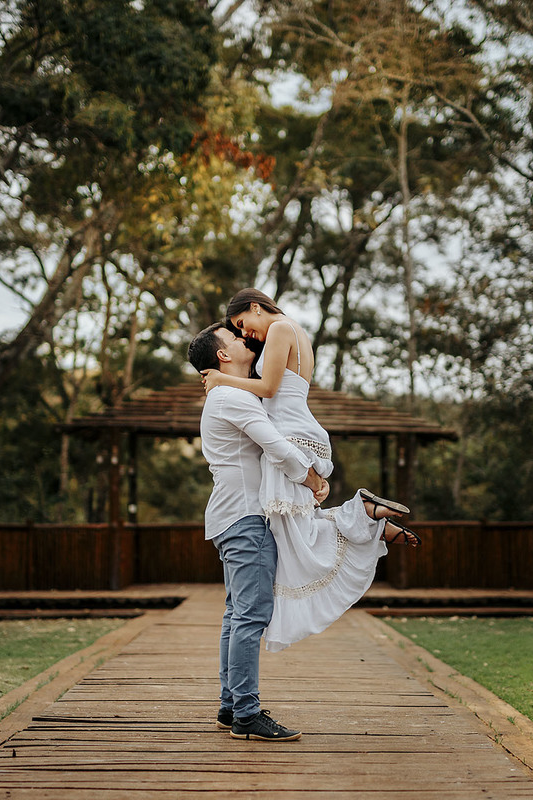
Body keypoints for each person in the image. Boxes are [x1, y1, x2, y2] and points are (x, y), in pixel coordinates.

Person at [201, 288, 421, 653]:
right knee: (296, 529)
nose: (247, 334)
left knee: (295, 534)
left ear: (256, 307)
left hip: (288, 432)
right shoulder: (294, 331)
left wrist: (223, 380)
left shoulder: (280, 330)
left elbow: (269, 389)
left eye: (244, 324)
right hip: (298, 429)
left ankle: (363, 515)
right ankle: (366, 517)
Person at [188, 321, 322, 742]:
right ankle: (247, 714)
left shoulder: (227, 393)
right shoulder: (231, 396)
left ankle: (231, 708)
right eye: (233, 338)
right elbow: (277, 446)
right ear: (222, 356)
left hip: (231, 515)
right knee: (250, 616)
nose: (244, 338)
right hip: (246, 518)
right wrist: (313, 479)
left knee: (236, 615)